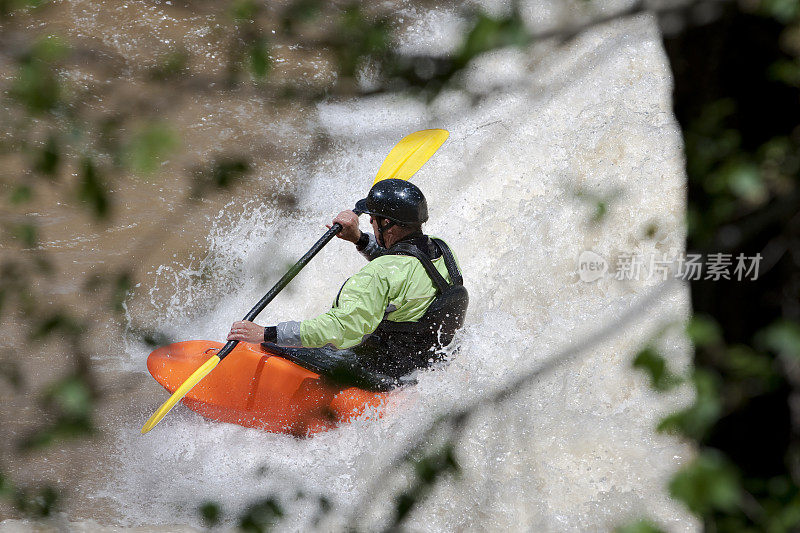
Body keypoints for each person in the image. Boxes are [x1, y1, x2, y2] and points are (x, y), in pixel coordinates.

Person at [226, 179, 468, 391]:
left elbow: (340, 329)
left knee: (274, 345)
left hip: (386, 370)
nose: (371, 222)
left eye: (373, 220)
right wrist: (359, 238)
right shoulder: (441, 250)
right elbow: (400, 271)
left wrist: (265, 333)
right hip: (425, 359)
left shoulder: (377, 276)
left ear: (388, 225)